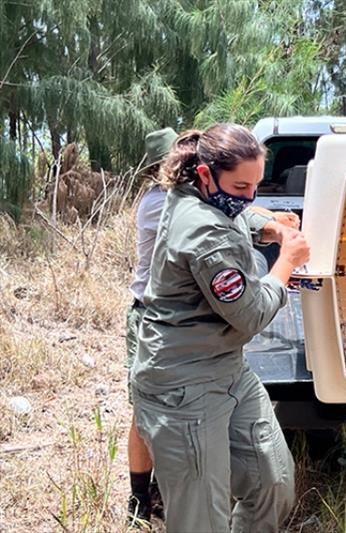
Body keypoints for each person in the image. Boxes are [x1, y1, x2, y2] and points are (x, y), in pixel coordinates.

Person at [130, 123, 309, 532]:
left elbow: (237, 214)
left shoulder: (197, 193)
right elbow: (249, 315)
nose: (249, 197)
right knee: (200, 519)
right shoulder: (202, 232)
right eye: (241, 186)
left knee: (273, 481)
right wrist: (286, 264)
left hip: (226, 368)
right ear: (207, 173)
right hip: (183, 385)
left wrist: (272, 227)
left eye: (256, 186)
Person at [126, 127, 177, 525]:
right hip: (149, 316)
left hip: (168, 318)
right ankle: (140, 500)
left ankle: (156, 490)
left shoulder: (172, 199)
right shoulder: (160, 204)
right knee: (145, 413)